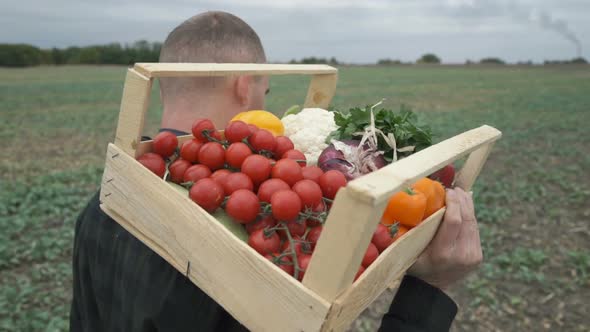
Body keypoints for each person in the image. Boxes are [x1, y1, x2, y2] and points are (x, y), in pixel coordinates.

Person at [70, 11, 482, 332]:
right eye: (266, 92)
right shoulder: (244, 254)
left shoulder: (100, 205)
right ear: (244, 86)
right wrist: (427, 294)